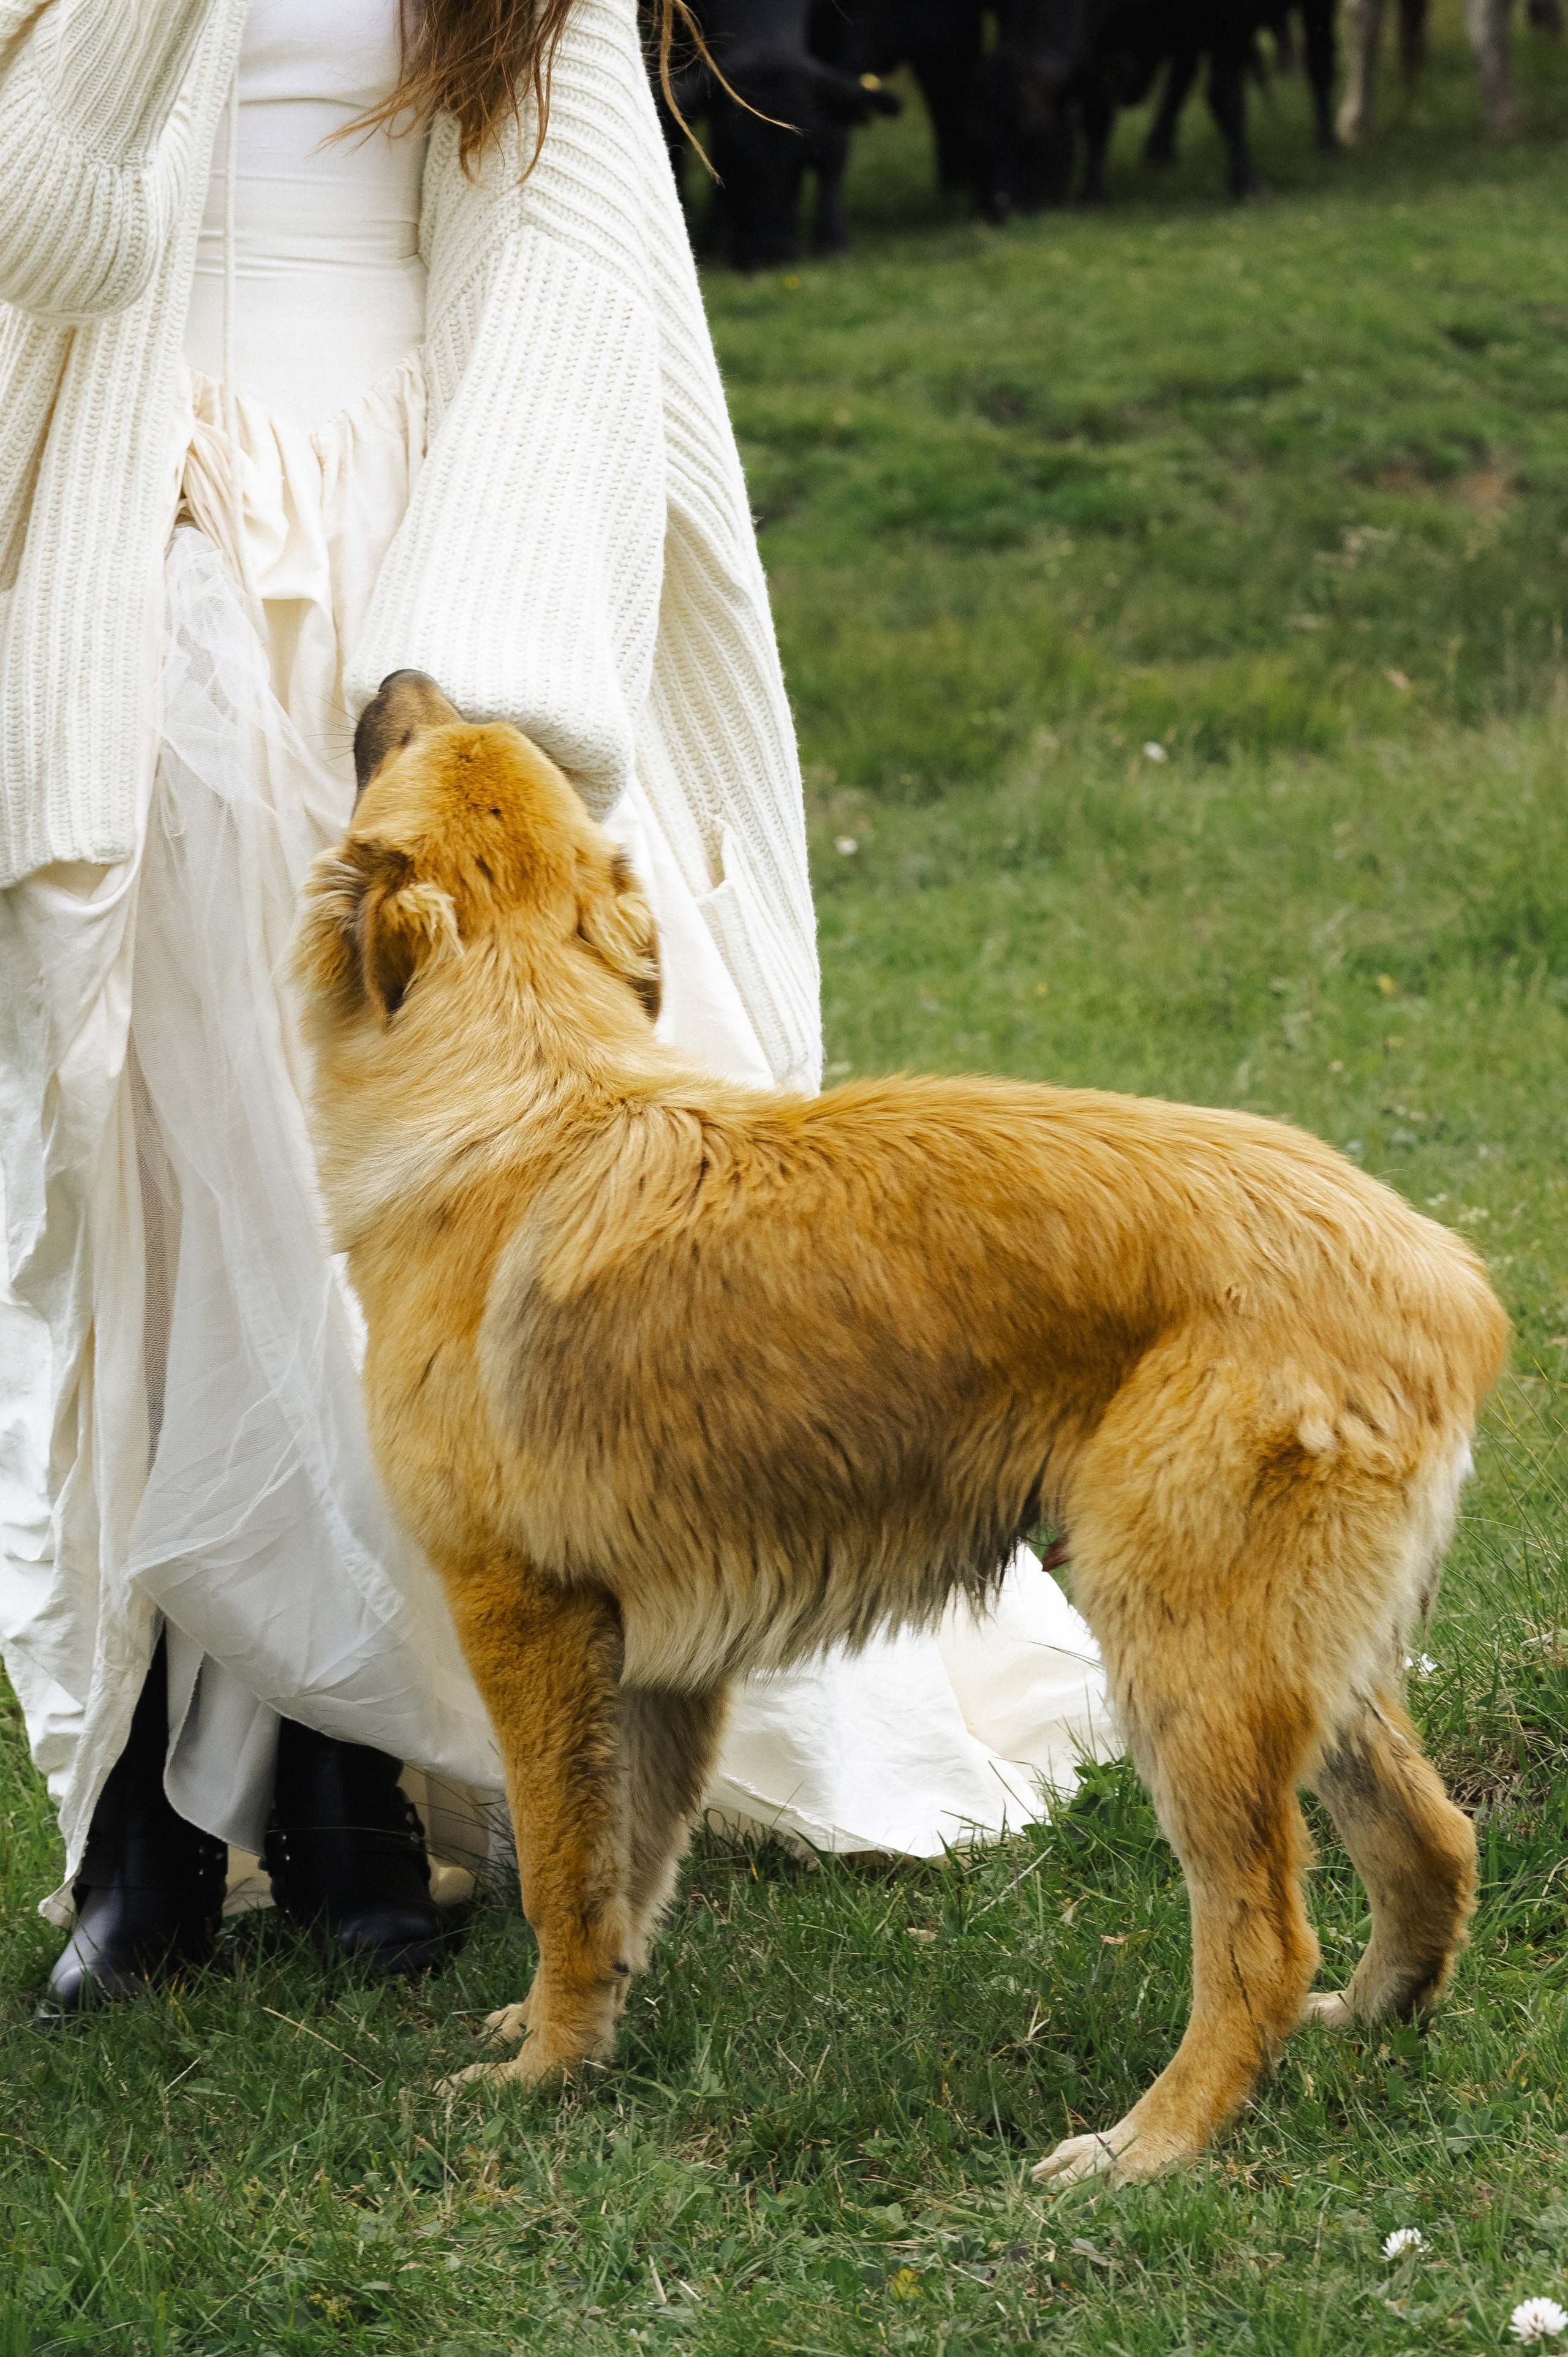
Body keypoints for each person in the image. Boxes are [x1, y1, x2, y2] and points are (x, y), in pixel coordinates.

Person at [0, 0, 1112, 2020]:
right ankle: (166, 1818)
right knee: (179, 1163)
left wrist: (469, 661)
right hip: (145, 551)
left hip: (426, 563)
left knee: (406, 1202)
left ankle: (358, 1783)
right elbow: (46, 230)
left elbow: (573, 291)